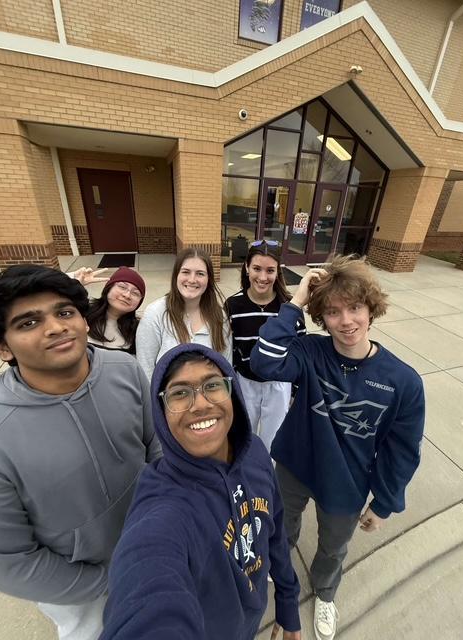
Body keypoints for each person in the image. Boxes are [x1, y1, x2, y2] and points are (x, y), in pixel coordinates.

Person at [250, 255, 425, 640]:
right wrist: (295, 303)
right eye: (332, 312)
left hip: (346, 482)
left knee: (332, 547)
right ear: (322, 318)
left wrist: (384, 502)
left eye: (355, 308)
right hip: (294, 466)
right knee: (280, 527)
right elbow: (263, 362)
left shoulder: (403, 382)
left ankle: (325, 592)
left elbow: (402, 451)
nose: (346, 321)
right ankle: (276, 569)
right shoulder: (309, 352)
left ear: (371, 309)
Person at [0, 264, 161, 640]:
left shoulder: (125, 369)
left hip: (154, 546)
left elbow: (156, 445)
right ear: (3, 347)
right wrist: (104, 582)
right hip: (82, 596)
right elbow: (9, 561)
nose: (55, 327)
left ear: (84, 320)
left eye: (65, 312)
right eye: (28, 322)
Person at [100, 344, 301, 640]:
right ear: (160, 411)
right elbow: (146, 578)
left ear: (232, 392)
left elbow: (275, 532)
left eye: (213, 385)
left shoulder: (256, 453)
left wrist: (288, 602)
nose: (200, 404)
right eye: (180, 393)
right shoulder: (164, 508)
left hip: (251, 617)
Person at [225, 241, 305, 451]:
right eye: (257, 268)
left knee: (274, 440)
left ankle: (267, 469)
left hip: (279, 385)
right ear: (246, 268)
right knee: (244, 436)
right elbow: (229, 350)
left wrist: (295, 391)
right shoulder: (232, 305)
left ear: (278, 272)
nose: (262, 277)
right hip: (245, 383)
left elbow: (300, 351)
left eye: (270, 270)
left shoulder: (290, 307)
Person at [136, 248, 231, 381]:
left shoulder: (219, 316)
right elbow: (145, 368)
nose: (192, 279)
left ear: (209, 279)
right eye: (186, 272)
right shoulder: (155, 313)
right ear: (176, 275)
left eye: (200, 274)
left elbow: (227, 367)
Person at [72, 266, 146, 355]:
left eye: (135, 293)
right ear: (108, 288)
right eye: (122, 287)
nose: (127, 295)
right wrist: (72, 283)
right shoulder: (82, 311)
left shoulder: (139, 330)